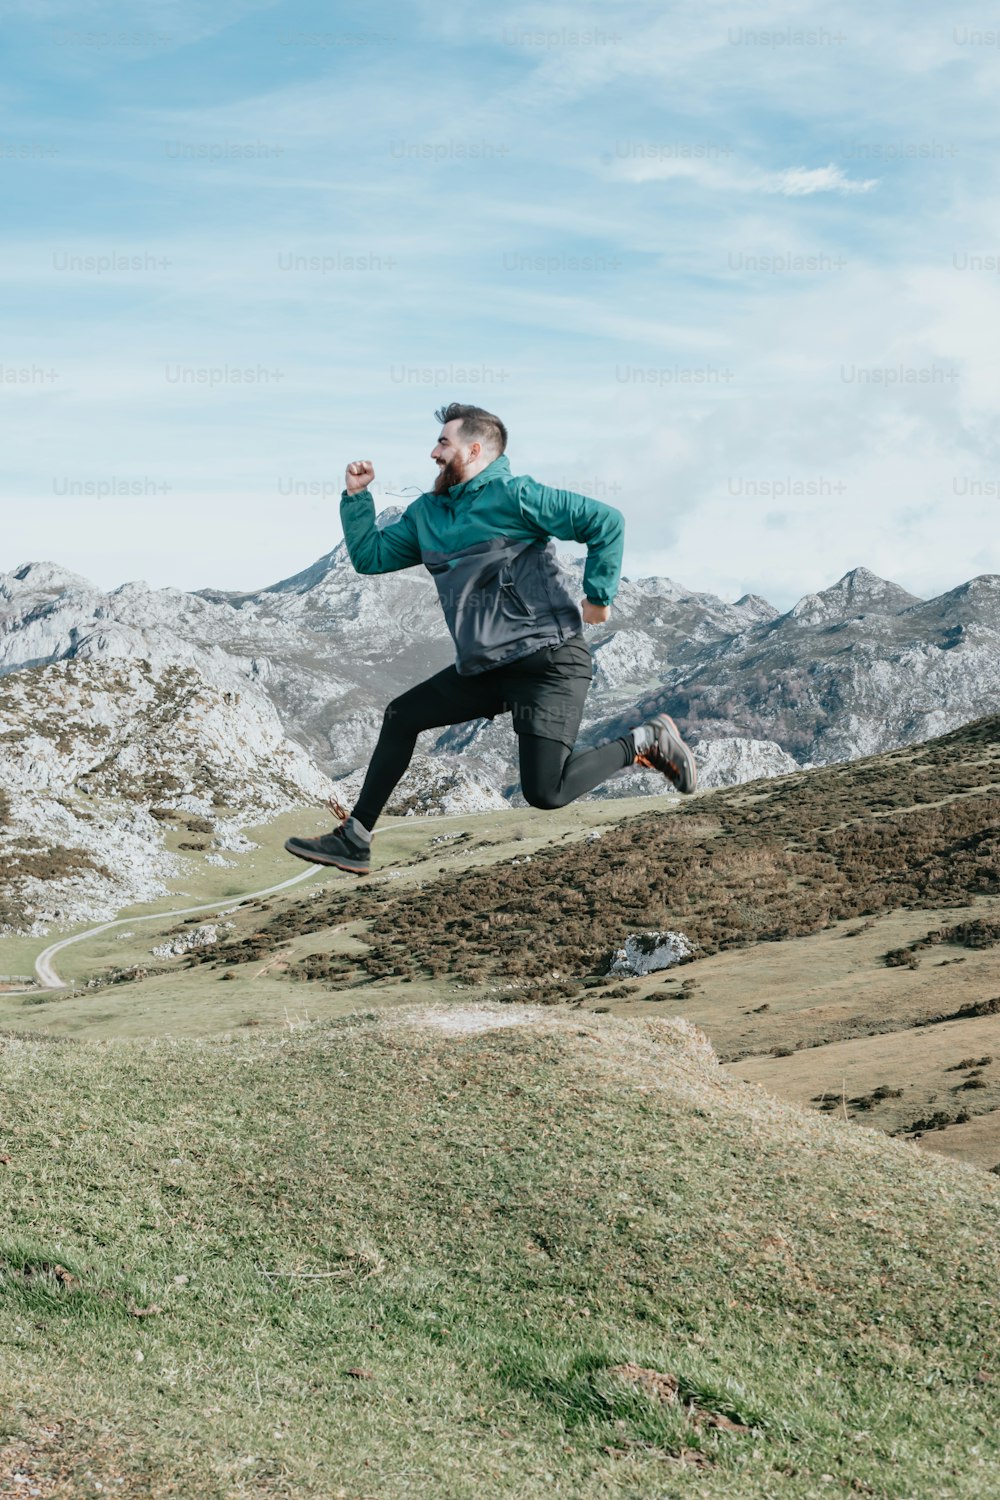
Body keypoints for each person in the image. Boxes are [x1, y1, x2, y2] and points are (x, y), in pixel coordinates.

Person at [285, 403, 696, 874]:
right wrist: (357, 498)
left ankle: (646, 739)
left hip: (549, 662)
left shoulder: (515, 496)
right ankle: (355, 838)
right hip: (485, 669)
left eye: (444, 443)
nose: (433, 453)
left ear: (475, 449)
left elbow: (606, 522)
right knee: (401, 716)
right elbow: (370, 557)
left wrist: (598, 597)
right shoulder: (428, 516)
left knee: (546, 792)